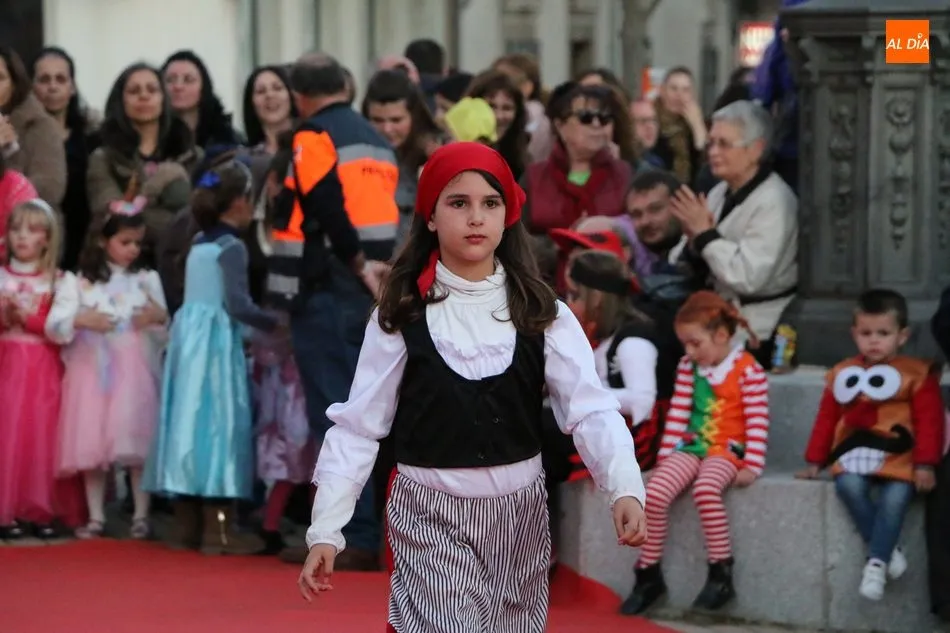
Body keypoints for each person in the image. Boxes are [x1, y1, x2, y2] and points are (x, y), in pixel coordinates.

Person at [297, 142, 647, 632]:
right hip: (428, 511)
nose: (476, 217)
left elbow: (590, 410)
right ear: (431, 216)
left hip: (520, 517)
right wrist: (327, 528)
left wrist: (624, 486)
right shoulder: (402, 313)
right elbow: (359, 426)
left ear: (508, 215)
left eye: (491, 203)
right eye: (458, 203)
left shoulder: (542, 312)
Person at [271, 52, 397, 569]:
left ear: (299, 96)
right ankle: (364, 531)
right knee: (366, 411)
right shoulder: (376, 139)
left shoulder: (313, 135)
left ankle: (349, 535)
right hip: (371, 289)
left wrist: (356, 262)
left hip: (331, 284)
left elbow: (324, 202)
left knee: (336, 416)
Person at [142, 161, 278, 555]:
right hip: (216, 345)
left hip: (188, 342)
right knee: (219, 424)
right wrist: (275, 322)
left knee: (188, 423)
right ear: (239, 202)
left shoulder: (198, 241)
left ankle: (186, 524)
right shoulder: (231, 247)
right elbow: (237, 304)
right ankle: (219, 530)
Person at [621, 290, 770, 615]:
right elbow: (679, 412)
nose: (689, 351)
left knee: (705, 489)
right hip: (691, 444)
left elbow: (757, 420)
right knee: (655, 493)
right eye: (685, 344)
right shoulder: (689, 367)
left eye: (695, 343)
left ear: (721, 336)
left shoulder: (749, 371)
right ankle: (648, 573)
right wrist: (666, 456)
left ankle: (720, 572)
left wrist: (752, 464)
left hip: (728, 449)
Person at [798, 289, 944, 601]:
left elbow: (930, 422)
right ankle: (888, 550)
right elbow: (827, 418)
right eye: (866, 334)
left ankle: (876, 564)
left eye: (883, 333)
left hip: (901, 457)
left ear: (902, 336)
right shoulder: (843, 373)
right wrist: (815, 459)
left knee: (895, 498)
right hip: (854, 453)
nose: (874, 341)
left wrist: (925, 463)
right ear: (854, 334)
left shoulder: (916, 374)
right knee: (848, 486)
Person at [57, 194, 168, 540]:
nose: (133, 249)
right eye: (125, 242)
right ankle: (96, 515)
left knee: (135, 441)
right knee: (91, 444)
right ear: (103, 240)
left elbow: (164, 327)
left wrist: (157, 318)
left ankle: (141, 513)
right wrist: (81, 320)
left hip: (134, 371)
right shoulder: (78, 281)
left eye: (138, 243)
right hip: (91, 371)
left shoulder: (147, 279)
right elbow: (56, 324)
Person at [0, 199, 79, 540]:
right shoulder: (1, 277)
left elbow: (61, 329)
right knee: (7, 433)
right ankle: (7, 508)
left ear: (47, 238)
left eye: (32, 230)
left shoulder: (58, 281)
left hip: (42, 369)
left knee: (41, 435)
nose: (22, 236)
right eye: (16, 229)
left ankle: (40, 507)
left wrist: (29, 319)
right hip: (6, 365)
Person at [566, 250, 667, 472]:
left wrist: (584, 394)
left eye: (575, 296)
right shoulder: (604, 334)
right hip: (607, 427)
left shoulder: (633, 340)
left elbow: (642, 402)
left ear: (596, 298)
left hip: (635, 441)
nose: (569, 304)